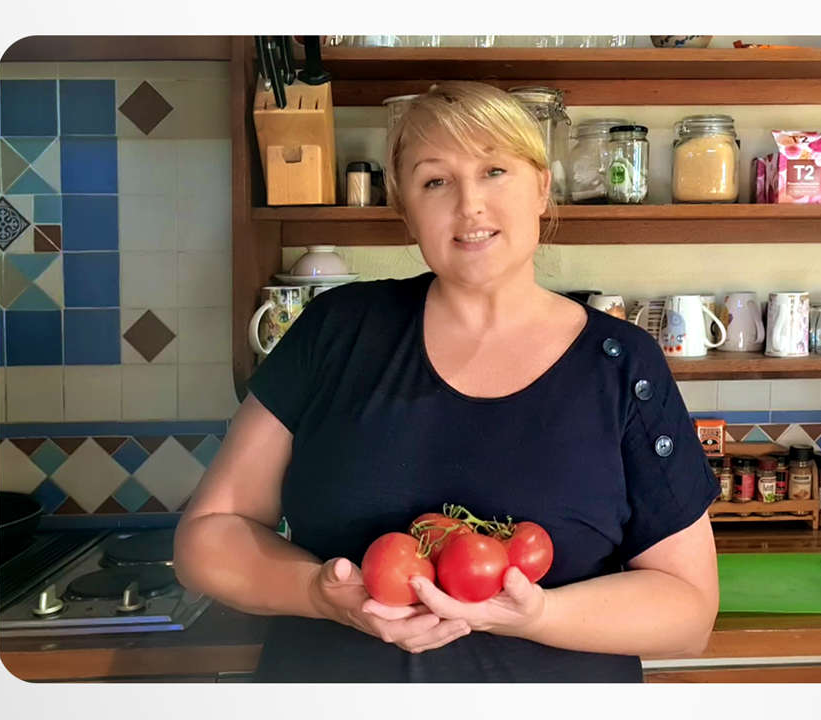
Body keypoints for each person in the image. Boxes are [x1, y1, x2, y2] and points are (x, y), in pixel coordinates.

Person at [173, 81, 720, 682]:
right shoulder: (336, 330)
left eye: (494, 171)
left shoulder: (623, 364)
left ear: (542, 187)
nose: (469, 205)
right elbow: (207, 540)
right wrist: (318, 594)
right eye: (435, 181)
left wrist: (539, 615)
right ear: (406, 211)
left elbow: (689, 612)